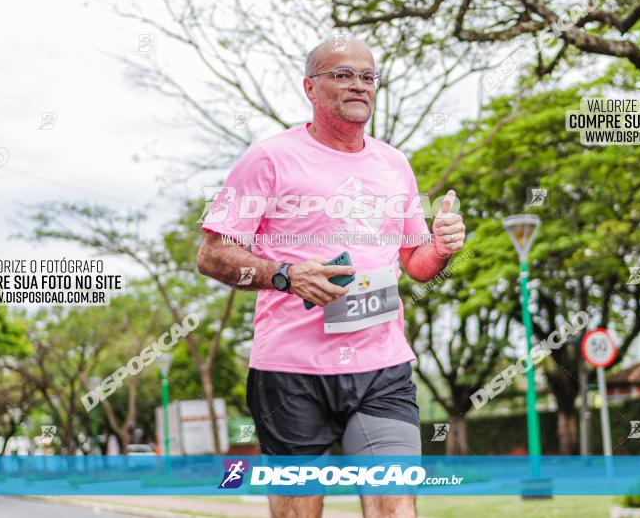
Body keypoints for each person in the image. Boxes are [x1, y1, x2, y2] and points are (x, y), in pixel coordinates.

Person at [197, 36, 466, 518]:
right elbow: (213, 254)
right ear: (311, 87)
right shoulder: (270, 158)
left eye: (368, 76)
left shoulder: (393, 164)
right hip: (291, 371)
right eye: (342, 75)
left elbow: (416, 264)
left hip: (382, 367)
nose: (358, 85)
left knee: (395, 508)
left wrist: (441, 249)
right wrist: (284, 276)